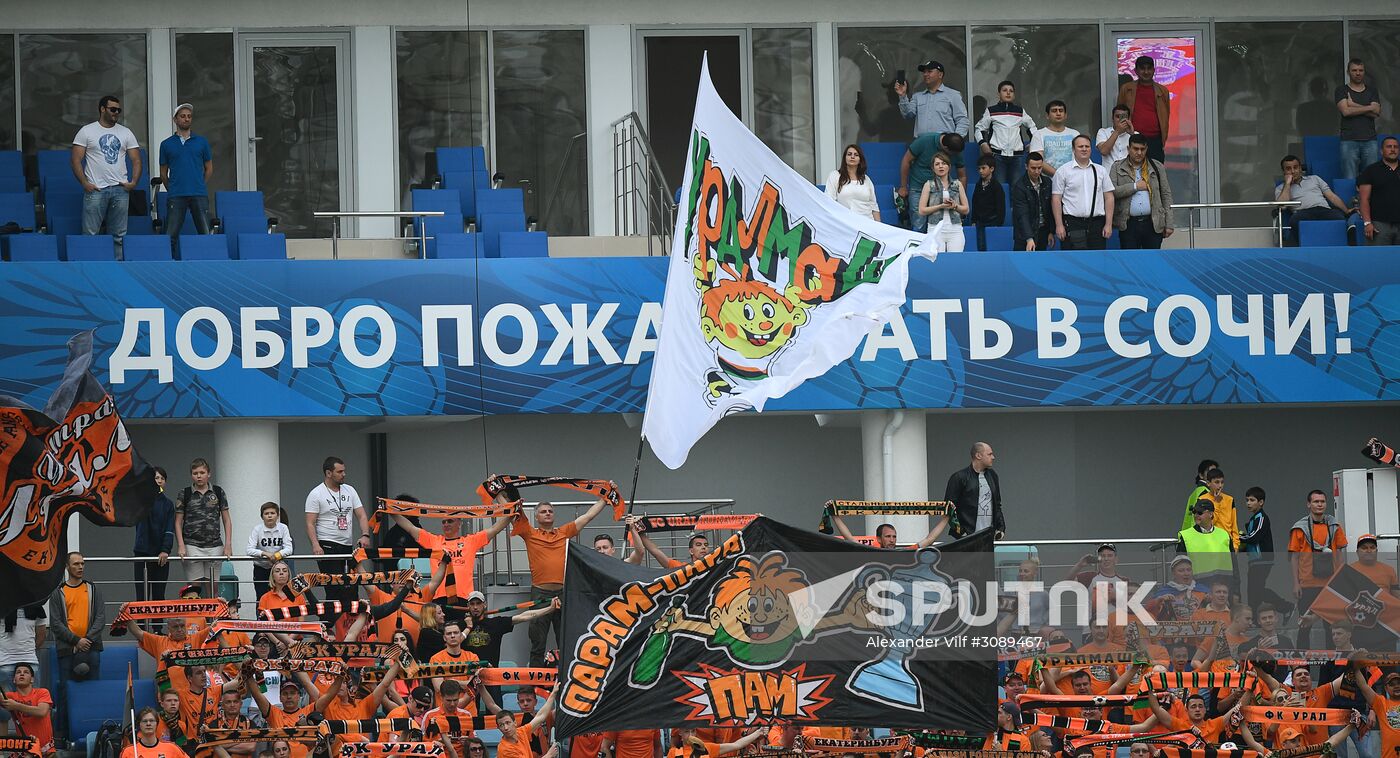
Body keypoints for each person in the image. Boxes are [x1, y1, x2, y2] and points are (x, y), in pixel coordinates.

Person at [508, 485, 613, 667]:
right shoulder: (529, 532)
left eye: (550, 511)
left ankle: (566, 680)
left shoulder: (564, 532)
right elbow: (510, 513)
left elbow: (588, 516)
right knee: (537, 642)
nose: (547, 513)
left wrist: (606, 498)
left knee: (566, 641)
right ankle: (535, 686)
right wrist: (498, 492)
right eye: (543, 511)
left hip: (563, 593)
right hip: (540, 594)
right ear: (536, 516)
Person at [391, 510, 512, 603]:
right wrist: (390, 511)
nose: (446, 524)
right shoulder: (433, 541)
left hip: (464, 598)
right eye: (443, 522)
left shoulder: (470, 541)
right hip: (439, 597)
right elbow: (410, 528)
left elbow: (495, 528)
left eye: (450, 521)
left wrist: (512, 512)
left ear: (459, 523)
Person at [71, 95, 141, 254]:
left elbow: (136, 160)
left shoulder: (126, 132)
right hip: (96, 189)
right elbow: (75, 159)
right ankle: (90, 267)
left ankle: (116, 269)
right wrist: (84, 183)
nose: (116, 112)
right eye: (113, 109)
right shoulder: (87, 131)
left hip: (120, 189)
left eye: (119, 110)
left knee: (119, 236)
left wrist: (134, 182)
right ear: (102, 109)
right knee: (90, 234)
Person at [304, 456, 370, 626]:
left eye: (344, 471)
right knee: (334, 588)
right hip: (327, 544)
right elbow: (310, 523)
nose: (344, 474)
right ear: (328, 473)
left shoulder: (349, 490)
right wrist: (316, 545)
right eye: (339, 471)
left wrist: (365, 534)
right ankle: (330, 627)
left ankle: (351, 625)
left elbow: (361, 514)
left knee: (351, 587)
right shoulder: (316, 494)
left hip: (347, 545)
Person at [462, 590, 559, 704]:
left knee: (497, 713)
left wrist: (550, 609)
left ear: (485, 605)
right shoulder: (461, 626)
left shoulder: (496, 623)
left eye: (478, 603)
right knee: (471, 713)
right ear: (468, 606)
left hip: (492, 675)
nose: (475, 607)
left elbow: (523, 617)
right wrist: (467, 626)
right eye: (472, 604)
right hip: (468, 675)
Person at [47, 552, 102, 743]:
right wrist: (76, 641)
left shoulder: (92, 589)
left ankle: (96, 732)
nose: (81, 567)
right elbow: (55, 623)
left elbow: (100, 618)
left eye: (83, 563)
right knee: (64, 692)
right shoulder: (58, 592)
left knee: (93, 690)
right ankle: (62, 735)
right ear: (67, 567)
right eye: (76, 564)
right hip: (67, 649)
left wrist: (86, 640)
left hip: (92, 648)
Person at [1289, 489, 1346, 644]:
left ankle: (1330, 667)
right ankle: (1302, 667)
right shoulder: (1300, 527)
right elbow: (1294, 558)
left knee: (1331, 628)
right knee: (1304, 626)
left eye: (1322, 501)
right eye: (1316, 501)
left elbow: (1339, 554)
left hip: (1329, 586)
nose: (1319, 504)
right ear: (1309, 504)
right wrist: (1296, 583)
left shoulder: (1334, 525)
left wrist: (1339, 581)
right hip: (1307, 584)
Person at [175, 458, 232, 598]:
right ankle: (197, 620)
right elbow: (177, 522)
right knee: (194, 590)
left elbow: (227, 519)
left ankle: (213, 619)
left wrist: (228, 545)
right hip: (192, 545)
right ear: (191, 475)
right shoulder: (185, 493)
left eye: (202, 472)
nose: (199, 476)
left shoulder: (218, 492)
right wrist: (181, 546)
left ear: (209, 474)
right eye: (195, 473)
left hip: (215, 545)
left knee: (213, 588)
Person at [1110, 134, 1174, 249]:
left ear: (1146, 149)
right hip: (1128, 223)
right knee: (1130, 262)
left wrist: (1169, 223)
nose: (1139, 152)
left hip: (1152, 222)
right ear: (1128, 149)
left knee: (1152, 261)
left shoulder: (1157, 167)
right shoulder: (1117, 167)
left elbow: (1166, 194)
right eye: (1135, 149)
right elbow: (1112, 192)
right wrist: (1135, 186)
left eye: (1142, 149)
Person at [158, 103, 213, 235]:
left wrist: (199, 183)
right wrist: (171, 188)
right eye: (182, 116)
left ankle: (207, 256)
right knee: (171, 234)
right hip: (176, 194)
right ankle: (169, 256)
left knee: (205, 233)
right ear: (175, 119)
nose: (186, 119)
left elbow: (209, 168)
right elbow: (163, 172)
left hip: (199, 194)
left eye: (189, 116)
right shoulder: (166, 144)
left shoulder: (202, 142)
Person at [1052, 135, 1114, 250]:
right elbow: (1056, 199)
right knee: (1073, 262)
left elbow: (1109, 197)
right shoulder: (1063, 171)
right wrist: (1059, 225)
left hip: (1097, 223)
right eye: (1080, 146)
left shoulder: (1101, 170)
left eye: (1087, 146)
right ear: (1073, 149)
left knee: (1096, 262)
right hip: (1072, 223)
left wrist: (1108, 224)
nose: (1084, 149)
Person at [1275, 154, 1350, 244]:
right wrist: (1287, 184)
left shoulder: (1315, 179)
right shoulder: (1281, 188)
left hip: (1323, 209)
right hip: (1303, 213)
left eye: (1295, 167)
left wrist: (1347, 211)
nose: (1293, 171)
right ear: (1283, 171)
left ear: (1300, 169)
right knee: (1294, 221)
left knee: (1340, 218)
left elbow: (1332, 197)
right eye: (1288, 169)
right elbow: (1282, 206)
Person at [900, 132, 966, 232]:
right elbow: (906, 160)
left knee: (941, 224)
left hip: (942, 190)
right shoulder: (924, 141)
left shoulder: (955, 150)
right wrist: (903, 186)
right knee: (918, 221)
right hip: (918, 187)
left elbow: (962, 175)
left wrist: (960, 199)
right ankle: (919, 246)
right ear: (946, 148)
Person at [976, 80, 1036, 184]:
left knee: (1017, 188)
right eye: (1004, 90)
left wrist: (1034, 143)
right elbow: (979, 129)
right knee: (1000, 187)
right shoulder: (991, 110)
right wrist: (983, 144)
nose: (1008, 93)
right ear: (999, 94)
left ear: (1014, 95)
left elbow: (1032, 127)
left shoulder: (1020, 111)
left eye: (1011, 91)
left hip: (1017, 156)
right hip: (998, 156)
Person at [944, 442, 1005, 539]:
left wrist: (1001, 528)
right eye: (989, 454)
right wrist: (962, 533)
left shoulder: (993, 476)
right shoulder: (959, 477)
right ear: (978, 455)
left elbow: (997, 504)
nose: (993, 457)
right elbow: (948, 509)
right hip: (966, 539)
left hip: (988, 537)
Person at [1117, 56, 1170, 164]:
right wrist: (1123, 133)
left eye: (1149, 68)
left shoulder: (1163, 91)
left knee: (1155, 173)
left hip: (1155, 139)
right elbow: (1120, 111)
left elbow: (1166, 114)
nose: (1146, 72)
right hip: (1132, 137)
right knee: (1131, 172)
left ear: (1154, 70)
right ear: (1136, 70)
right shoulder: (1126, 89)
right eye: (1142, 68)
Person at [896, 60, 968, 139]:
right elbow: (908, 115)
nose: (925, 74)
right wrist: (902, 95)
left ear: (940, 74)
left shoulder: (953, 95)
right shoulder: (917, 96)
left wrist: (954, 140)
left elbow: (962, 120)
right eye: (924, 72)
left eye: (929, 71)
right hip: (921, 144)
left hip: (944, 144)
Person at [134, 466, 176, 604]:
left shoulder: (168, 504)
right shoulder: (141, 501)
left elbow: (170, 528)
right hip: (142, 552)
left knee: (159, 595)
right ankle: (141, 626)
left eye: (162, 478)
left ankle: (157, 626)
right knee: (142, 595)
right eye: (156, 477)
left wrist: (165, 550)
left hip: (161, 555)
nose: (159, 480)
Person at [1240, 487, 1283, 613]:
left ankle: (1284, 606)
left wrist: (1237, 537)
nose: (1248, 503)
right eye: (1247, 500)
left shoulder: (1261, 518)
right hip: (1255, 560)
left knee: (1256, 590)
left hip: (1262, 560)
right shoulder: (1254, 519)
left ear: (1261, 502)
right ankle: (1255, 617)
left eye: (1252, 500)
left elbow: (1254, 537)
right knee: (1254, 590)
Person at [1337, 58, 1382, 180]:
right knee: (1349, 177)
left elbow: (1376, 112)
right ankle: (1351, 200)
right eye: (1354, 70)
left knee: (1371, 178)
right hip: (1348, 140)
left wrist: (1353, 105)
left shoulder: (1372, 90)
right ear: (1348, 72)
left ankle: (1370, 200)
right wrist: (1369, 108)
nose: (1358, 73)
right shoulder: (1342, 90)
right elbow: (1346, 112)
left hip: (1370, 140)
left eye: (1361, 70)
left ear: (1364, 72)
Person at [917, 152, 968, 252]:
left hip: (955, 230)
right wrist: (940, 206)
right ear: (933, 168)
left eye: (944, 163)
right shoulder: (929, 184)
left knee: (955, 261)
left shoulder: (957, 184)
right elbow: (921, 210)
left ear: (949, 166)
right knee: (937, 261)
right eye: (937, 164)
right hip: (935, 229)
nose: (941, 166)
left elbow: (966, 209)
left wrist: (955, 206)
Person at [1176, 500, 1232, 588]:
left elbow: (1234, 567)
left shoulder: (1224, 535)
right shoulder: (1185, 536)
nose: (1196, 515)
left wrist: (1236, 592)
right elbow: (1179, 568)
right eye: (1194, 512)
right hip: (1196, 590)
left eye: (1199, 512)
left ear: (1210, 514)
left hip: (1223, 590)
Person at [0, 664, 52, 755]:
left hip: (46, 751)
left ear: (32, 679)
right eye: (18, 672)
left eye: (26, 672)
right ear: (14, 680)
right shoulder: (10, 696)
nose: (22, 674)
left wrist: (16, 706)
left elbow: (42, 711)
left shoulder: (42, 692)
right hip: (24, 750)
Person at [247, 502, 293, 601]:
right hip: (261, 568)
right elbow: (249, 550)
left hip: (278, 568)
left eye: (272, 513)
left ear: (277, 515)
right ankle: (261, 616)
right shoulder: (257, 529)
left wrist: (276, 555)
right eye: (266, 513)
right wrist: (265, 554)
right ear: (262, 516)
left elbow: (289, 548)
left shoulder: (283, 528)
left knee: (281, 596)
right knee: (261, 597)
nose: (270, 516)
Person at [1359, 136, 1400, 245]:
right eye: (1389, 147)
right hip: (1379, 225)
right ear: (1381, 151)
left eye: (1395, 147)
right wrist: (1367, 223)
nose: (1392, 149)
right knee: (1379, 260)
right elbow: (1364, 199)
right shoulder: (1371, 170)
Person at [824, 145, 880, 222]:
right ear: (845, 158)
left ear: (860, 159)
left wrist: (879, 228)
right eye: (849, 154)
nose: (852, 157)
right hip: (846, 223)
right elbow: (829, 201)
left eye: (856, 155)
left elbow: (874, 206)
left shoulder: (866, 179)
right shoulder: (835, 175)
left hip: (868, 223)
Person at [1012, 152, 1054, 251]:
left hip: (1043, 232)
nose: (1037, 171)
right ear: (1026, 166)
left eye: (1039, 168)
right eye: (1033, 168)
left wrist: (1051, 231)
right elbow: (1022, 214)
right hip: (1024, 234)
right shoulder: (1019, 186)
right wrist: (1029, 238)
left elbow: (1050, 210)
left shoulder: (1047, 183)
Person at [1028, 101, 1080, 176]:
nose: (1058, 113)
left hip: (1072, 179)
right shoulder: (1038, 134)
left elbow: (1081, 158)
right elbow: (1037, 160)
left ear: (1065, 115)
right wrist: (1059, 176)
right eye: (1054, 111)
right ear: (1047, 115)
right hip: (1047, 182)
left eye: (1061, 110)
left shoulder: (1075, 134)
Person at [970, 155, 1006, 250]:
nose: (980, 171)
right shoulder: (978, 185)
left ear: (992, 169)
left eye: (983, 168)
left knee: (992, 247)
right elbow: (974, 203)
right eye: (979, 169)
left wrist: (999, 223)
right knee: (981, 246)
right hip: (980, 222)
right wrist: (973, 220)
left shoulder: (997, 187)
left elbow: (1001, 206)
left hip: (993, 221)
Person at [1181, 459, 1218, 532]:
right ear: (1201, 475)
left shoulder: (1195, 493)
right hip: (1200, 535)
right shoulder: (1205, 493)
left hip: (1190, 534)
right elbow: (1206, 519)